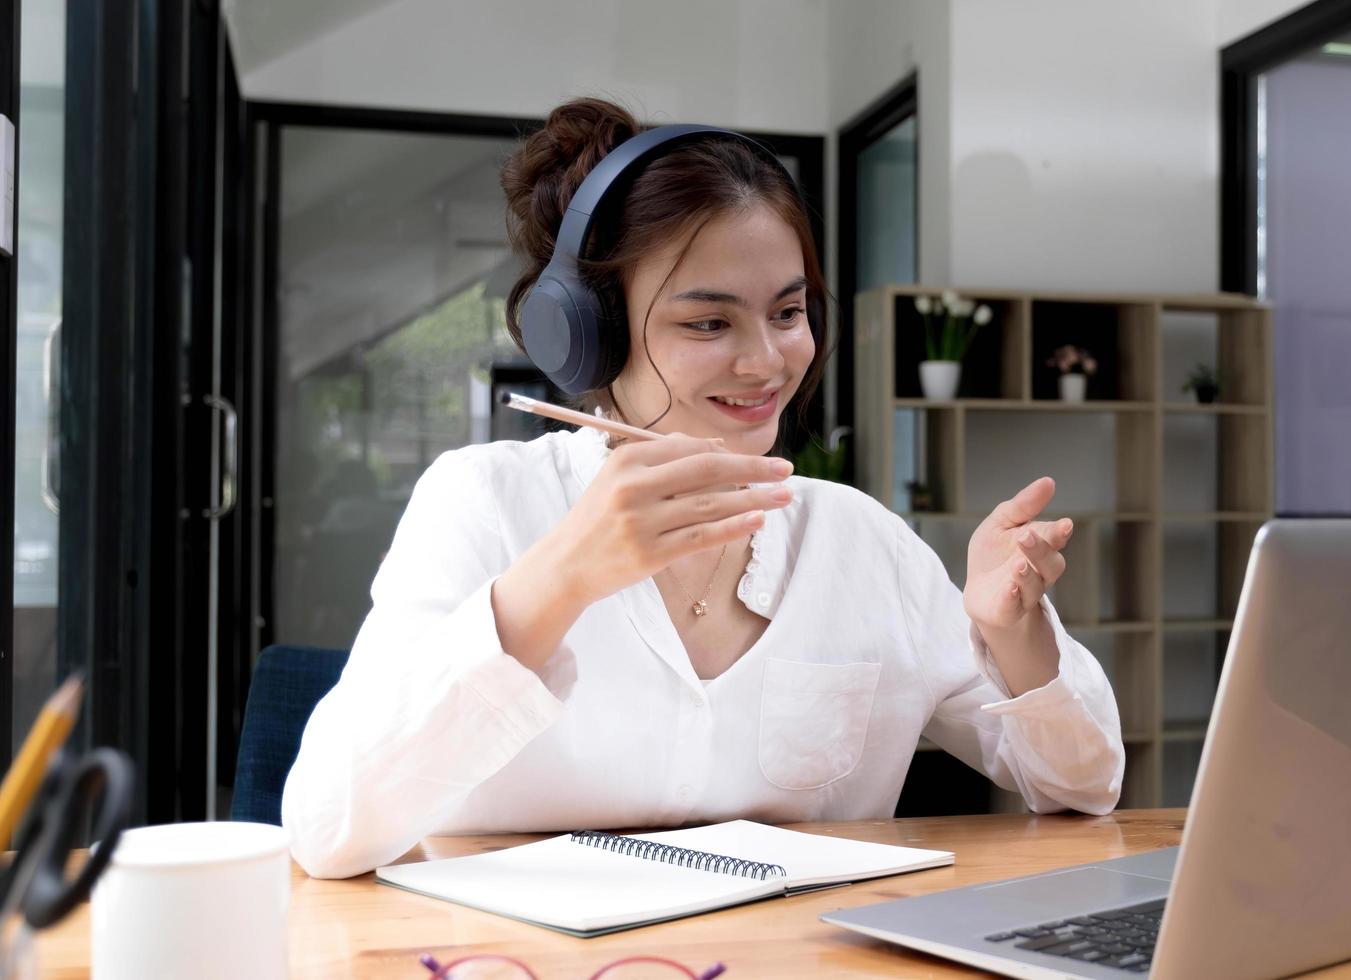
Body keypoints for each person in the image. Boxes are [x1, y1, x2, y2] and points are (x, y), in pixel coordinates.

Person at [282, 98, 1124, 879]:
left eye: (787, 313)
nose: (765, 361)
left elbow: (1082, 786)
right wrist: (559, 579)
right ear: (588, 333)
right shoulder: (484, 503)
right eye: (708, 322)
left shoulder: (858, 541)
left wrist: (1010, 633)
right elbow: (326, 829)